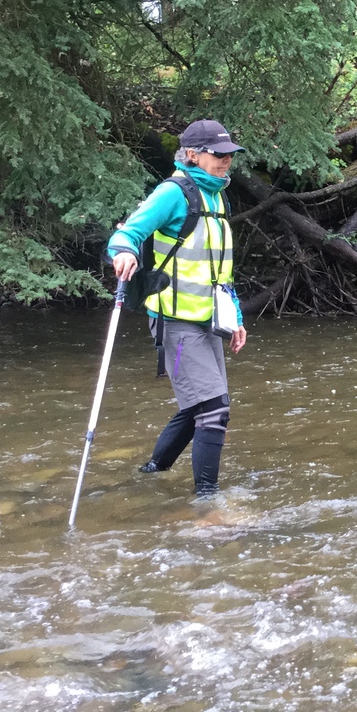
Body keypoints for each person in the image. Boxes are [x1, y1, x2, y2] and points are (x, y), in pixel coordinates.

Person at [108, 119, 249, 496]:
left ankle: (152, 472)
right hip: (175, 324)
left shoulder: (217, 196)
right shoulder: (173, 193)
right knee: (213, 408)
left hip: (209, 320)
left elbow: (221, 271)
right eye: (218, 154)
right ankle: (207, 501)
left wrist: (235, 317)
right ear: (192, 154)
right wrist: (123, 252)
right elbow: (128, 233)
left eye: (230, 155)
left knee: (199, 407)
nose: (226, 161)